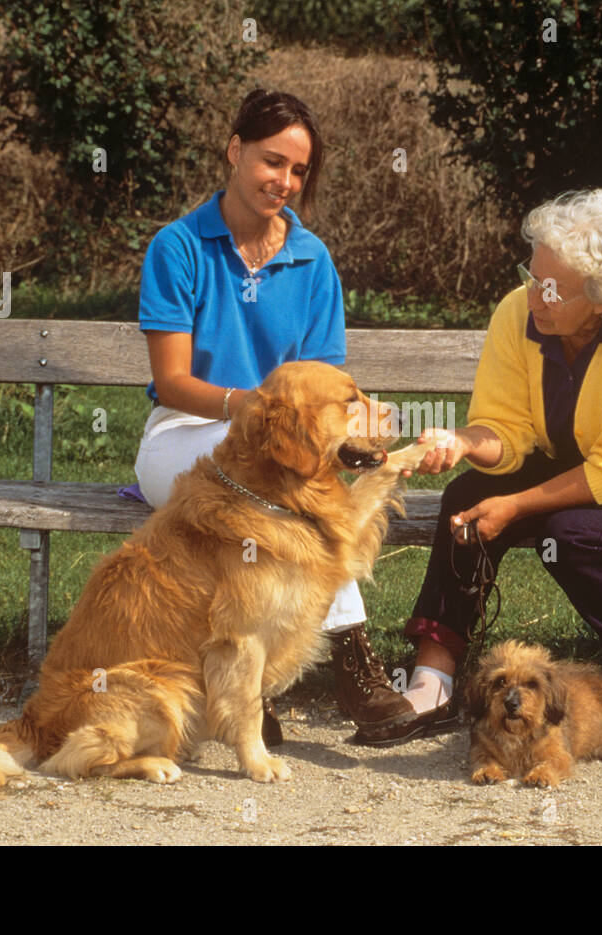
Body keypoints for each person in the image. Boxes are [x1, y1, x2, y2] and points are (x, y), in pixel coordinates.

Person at [354, 189, 602, 749]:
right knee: (466, 497)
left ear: (601, 298)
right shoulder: (519, 311)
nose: (532, 294)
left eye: (550, 287)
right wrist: (465, 440)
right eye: (530, 273)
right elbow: (508, 429)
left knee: (574, 537)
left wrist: (517, 506)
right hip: (584, 458)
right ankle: (435, 679)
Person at [132, 89, 413, 739]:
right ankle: (298, 677)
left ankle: (325, 667)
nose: (283, 181)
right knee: (281, 495)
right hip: (187, 433)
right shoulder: (177, 248)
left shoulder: (312, 261)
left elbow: (325, 397)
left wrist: (352, 439)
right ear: (234, 151)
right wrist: (247, 406)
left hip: (287, 448)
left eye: (297, 170)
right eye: (270, 161)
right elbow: (171, 382)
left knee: (290, 490)